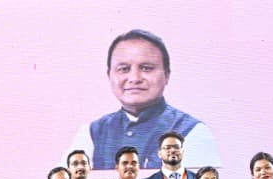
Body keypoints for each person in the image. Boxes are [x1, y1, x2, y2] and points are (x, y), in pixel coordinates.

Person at [66, 29, 220, 169]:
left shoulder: (192, 132)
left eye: (146, 68)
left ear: (166, 75)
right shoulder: (92, 134)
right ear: (109, 75)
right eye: (124, 69)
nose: (134, 78)